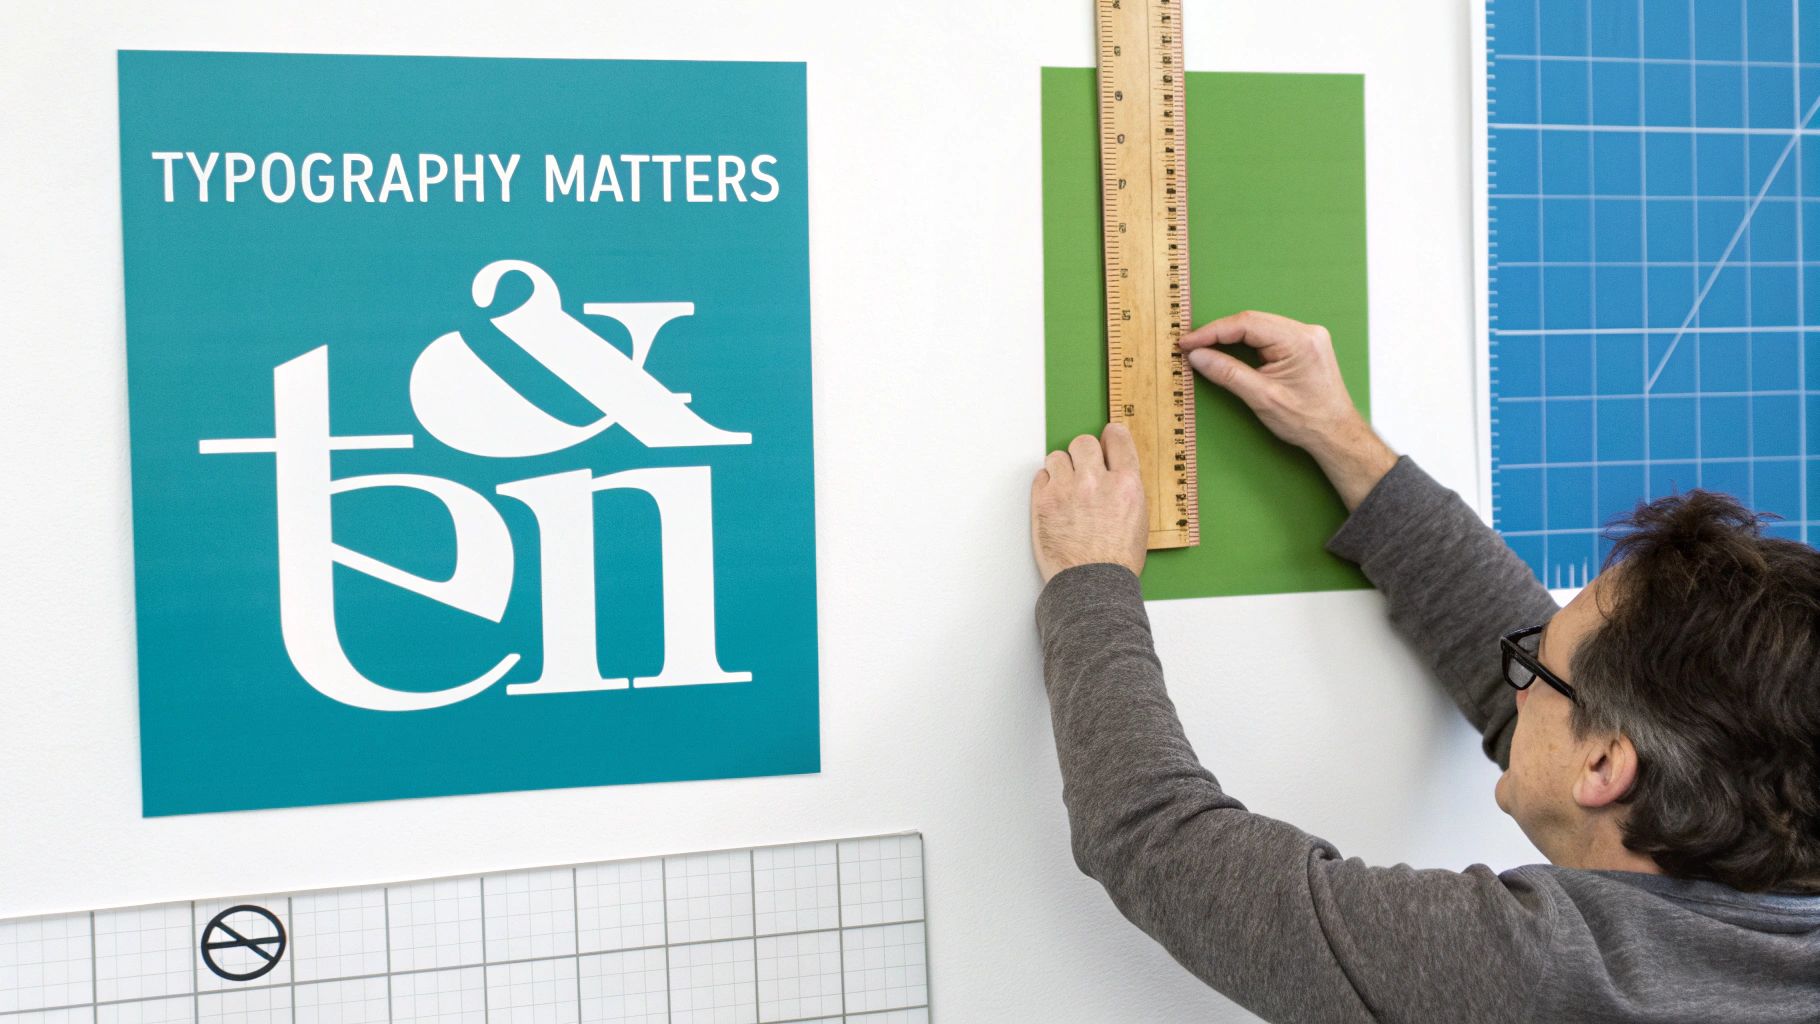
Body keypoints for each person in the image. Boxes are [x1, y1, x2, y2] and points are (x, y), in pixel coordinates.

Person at [1029, 310, 1820, 1022]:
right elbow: (1532, 675)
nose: (1513, 678)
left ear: (1607, 764)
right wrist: (1340, 437)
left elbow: (1157, 842)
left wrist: (1089, 578)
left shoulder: (1540, 977)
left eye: (1532, 671)